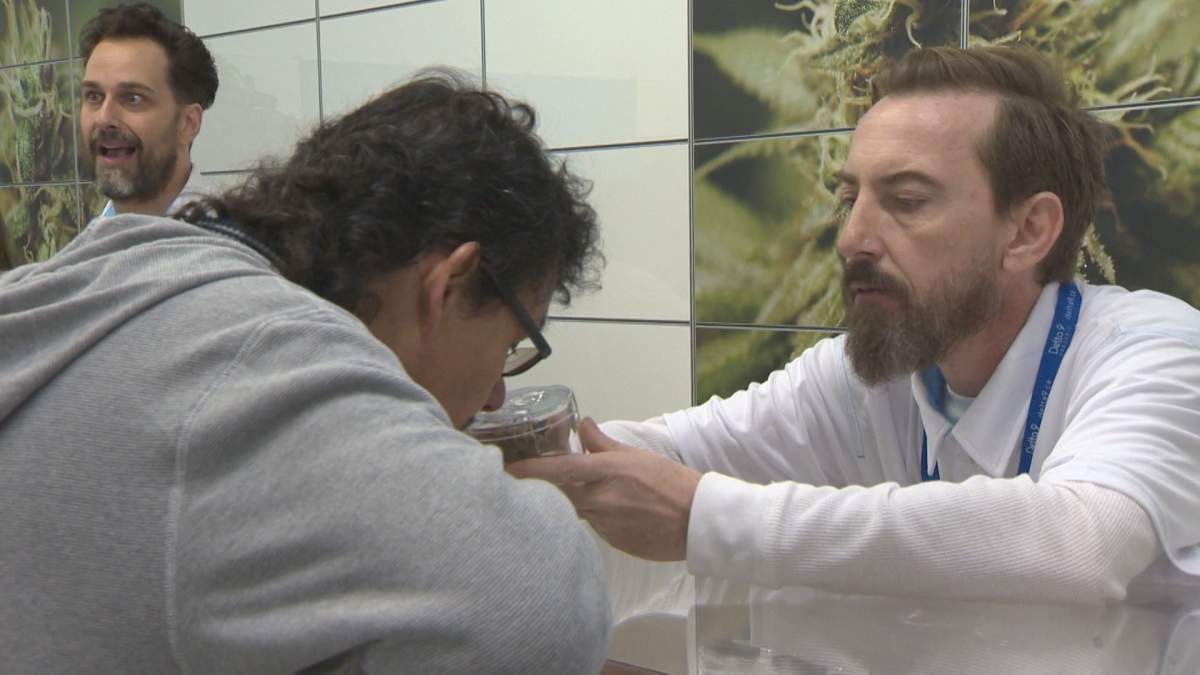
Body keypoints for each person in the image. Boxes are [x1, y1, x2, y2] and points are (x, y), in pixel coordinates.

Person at [512, 45, 1200, 605]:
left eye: (905, 200)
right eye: (851, 197)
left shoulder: (1153, 352)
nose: (852, 238)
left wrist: (708, 517)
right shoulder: (864, 377)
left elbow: (1081, 542)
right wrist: (485, 464)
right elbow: (671, 458)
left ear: (1028, 230)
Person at [0, 72, 610, 672]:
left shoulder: (124, 268)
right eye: (508, 344)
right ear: (449, 285)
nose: (498, 395)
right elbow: (547, 610)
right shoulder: (266, 366)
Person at [78, 2, 217, 219]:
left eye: (133, 98)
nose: (104, 118)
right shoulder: (96, 237)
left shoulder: (229, 244)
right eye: (94, 96)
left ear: (188, 123)